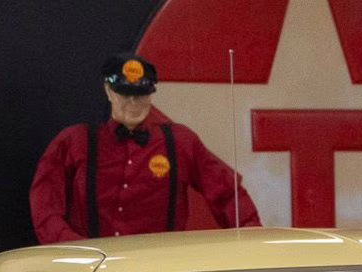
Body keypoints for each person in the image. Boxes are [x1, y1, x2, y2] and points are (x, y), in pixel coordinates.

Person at [30, 54, 260, 243]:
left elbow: (227, 192)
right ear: (108, 91)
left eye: (140, 95)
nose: (133, 103)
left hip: (159, 270)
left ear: (151, 95)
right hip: (93, 269)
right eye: (125, 94)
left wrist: (252, 239)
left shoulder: (180, 142)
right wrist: (73, 248)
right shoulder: (75, 142)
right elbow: (45, 205)